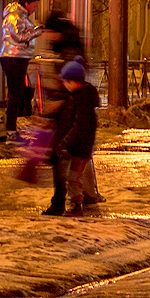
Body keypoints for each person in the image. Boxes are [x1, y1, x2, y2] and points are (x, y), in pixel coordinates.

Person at [51, 57, 102, 217]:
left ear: (76, 82)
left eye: (67, 82)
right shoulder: (79, 97)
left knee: (73, 178)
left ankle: (76, 205)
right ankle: (76, 203)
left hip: (81, 148)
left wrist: (65, 142)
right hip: (80, 147)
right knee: (73, 177)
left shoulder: (82, 100)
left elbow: (79, 126)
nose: (65, 85)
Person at [0, 0, 41, 142]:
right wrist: (36, 33)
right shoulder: (14, 17)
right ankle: (10, 131)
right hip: (14, 57)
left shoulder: (20, 17)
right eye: (34, 6)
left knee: (17, 93)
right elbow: (18, 37)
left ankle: (12, 129)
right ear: (27, 3)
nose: (35, 9)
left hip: (18, 57)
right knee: (15, 94)